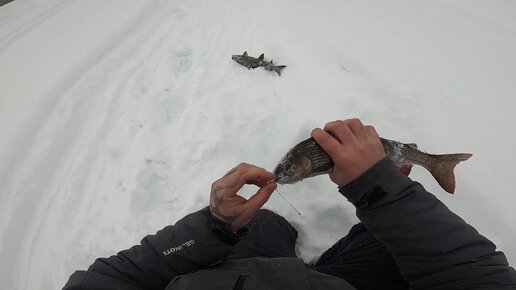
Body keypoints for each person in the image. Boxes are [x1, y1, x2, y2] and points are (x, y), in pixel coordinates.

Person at [63, 119, 516, 290]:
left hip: (239, 275)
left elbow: (123, 274)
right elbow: (481, 280)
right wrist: (381, 191)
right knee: (385, 243)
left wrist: (214, 227)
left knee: (265, 224)